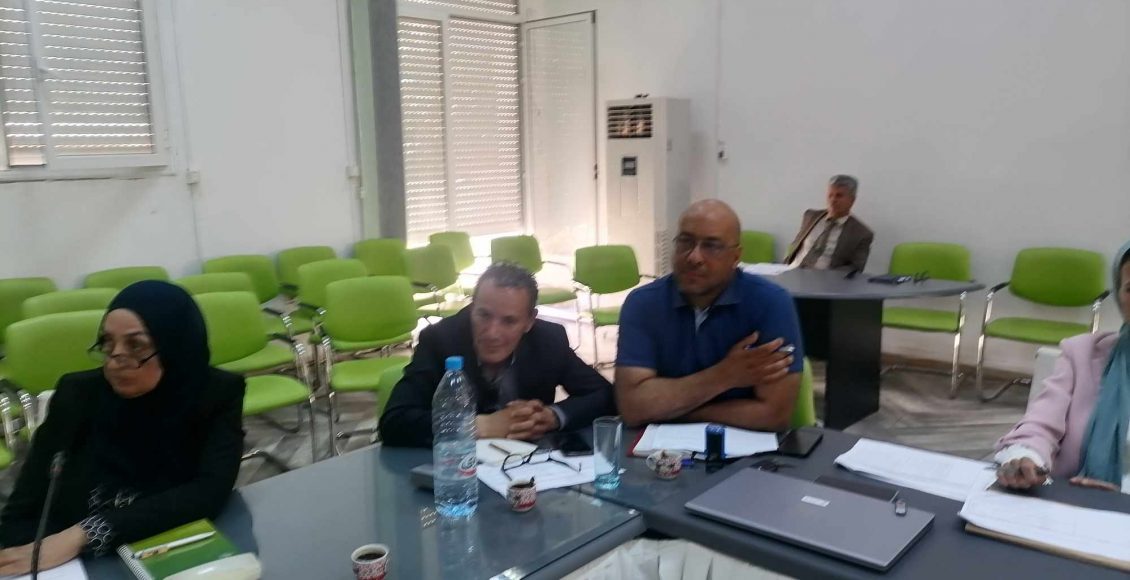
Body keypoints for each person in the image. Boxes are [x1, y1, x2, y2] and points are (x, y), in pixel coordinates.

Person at [0, 281, 245, 574]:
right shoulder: (77, 395)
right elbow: (23, 508)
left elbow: (209, 491)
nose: (115, 359)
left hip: (165, 544)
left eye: (136, 345)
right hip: (72, 559)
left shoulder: (216, 394)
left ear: (176, 347)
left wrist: (85, 534)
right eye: (107, 342)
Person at [615, 200, 804, 431]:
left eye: (712, 246)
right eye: (685, 242)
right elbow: (633, 407)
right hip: (658, 448)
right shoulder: (643, 304)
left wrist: (671, 410)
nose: (694, 257)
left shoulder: (771, 303)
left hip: (745, 447)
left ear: (736, 256)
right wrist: (725, 375)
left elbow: (774, 415)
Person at [380, 263, 615, 447]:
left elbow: (604, 394)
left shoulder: (548, 340)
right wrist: (478, 425)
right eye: (483, 315)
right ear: (472, 307)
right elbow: (394, 422)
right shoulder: (440, 340)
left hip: (526, 471)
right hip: (457, 471)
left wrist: (552, 416)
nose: (492, 333)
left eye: (509, 321)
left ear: (529, 321)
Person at [994, 241, 1130, 493]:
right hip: (1069, 503)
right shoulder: (1082, 353)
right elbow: (1040, 425)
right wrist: (1027, 457)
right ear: (1120, 297)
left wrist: (1119, 497)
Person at [783, 174, 874, 272]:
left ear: (852, 200)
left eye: (839, 196)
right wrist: (785, 264)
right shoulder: (810, 216)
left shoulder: (862, 234)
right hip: (792, 271)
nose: (833, 200)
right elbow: (795, 245)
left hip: (824, 278)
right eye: (830, 195)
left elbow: (856, 268)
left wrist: (830, 277)